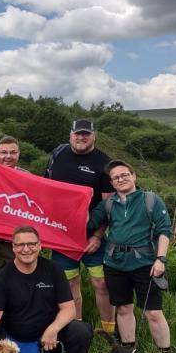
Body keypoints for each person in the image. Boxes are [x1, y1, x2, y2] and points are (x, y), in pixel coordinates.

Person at [88, 160, 174, 353]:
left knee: (153, 312)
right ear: (112, 183)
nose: (121, 179)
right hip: (115, 264)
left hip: (146, 264)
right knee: (124, 308)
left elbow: (164, 231)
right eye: (116, 177)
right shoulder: (108, 204)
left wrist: (161, 259)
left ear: (134, 176)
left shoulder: (150, 200)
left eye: (125, 174)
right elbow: (89, 223)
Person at [45, 119, 115, 336]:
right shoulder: (58, 155)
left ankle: (108, 331)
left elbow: (108, 205)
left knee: (101, 282)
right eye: (77, 134)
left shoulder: (104, 163)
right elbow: (45, 189)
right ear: (70, 135)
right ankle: (78, 330)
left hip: (92, 236)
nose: (81, 137)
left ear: (93, 135)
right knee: (71, 283)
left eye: (86, 134)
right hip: (62, 235)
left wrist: (97, 235)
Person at [0, 136, 29, 280]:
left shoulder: (27, 177)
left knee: (20, 283)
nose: (8, 156)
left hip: (17, 242)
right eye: (4, 152)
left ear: (18, 153)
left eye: (13, 152)